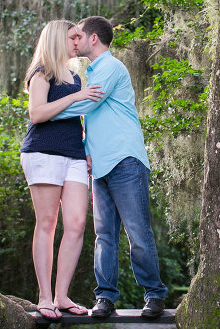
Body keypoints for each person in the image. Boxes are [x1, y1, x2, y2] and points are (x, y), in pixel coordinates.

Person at [51, 16, 168, 319]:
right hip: (100, 165)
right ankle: (105, 298)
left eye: (78, 37)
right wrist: (87, 151)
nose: (74, 42)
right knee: (104, 236)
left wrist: (46, 111)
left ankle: (154, 294)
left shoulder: (112, 67)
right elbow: (93, 121)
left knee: (137, 232)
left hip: (125, 160)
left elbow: (88, 105)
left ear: (93, 38)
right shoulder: (92, 72)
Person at [19, 19, 104, 321]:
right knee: (47, 223)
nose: (78, 42)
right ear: (58, 39)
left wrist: (88, 149)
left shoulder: (75, 76)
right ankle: (44, 298)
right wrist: (74, 97)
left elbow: (77, 118)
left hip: (74, 155)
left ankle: (61, 295)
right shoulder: (41, 71)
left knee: (78, 224)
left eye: (80, 37)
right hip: (43, 152)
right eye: (73, 37)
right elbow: (37, 113)